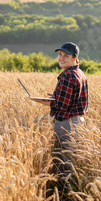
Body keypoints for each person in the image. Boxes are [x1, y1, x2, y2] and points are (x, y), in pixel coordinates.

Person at [30, 42, 89, 180]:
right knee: (72, 161)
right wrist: (56, 97)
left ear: (75, 58)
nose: (61, 58)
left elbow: (62, 106)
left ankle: (65, 195)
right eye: (60, 54)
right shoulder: (79, 73)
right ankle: (71, 192)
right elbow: (71, 99)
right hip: (78, 122)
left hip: (66, 124)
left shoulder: (67, 75)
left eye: (66, 56)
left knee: (64, 164)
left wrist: (40, 100)